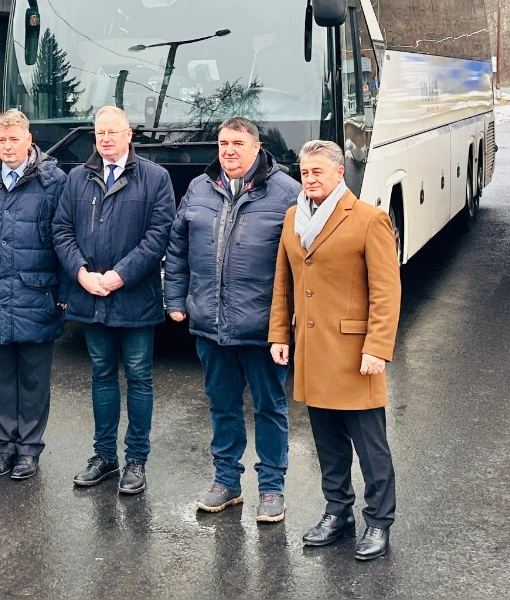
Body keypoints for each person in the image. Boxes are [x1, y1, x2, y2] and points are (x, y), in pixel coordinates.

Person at [268, 140, 401, 561]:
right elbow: (283, 283)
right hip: (312, 350)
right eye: (304, 172)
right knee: (328, 445)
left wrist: (377, 347)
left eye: (318, 172)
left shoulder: (369, 219)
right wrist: (279, 335)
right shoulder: (294, 217)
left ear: (340, 173)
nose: (309, 179)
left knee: (371, 448)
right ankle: (338, 512)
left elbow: (386, 292)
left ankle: (378, 521)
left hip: (355, 354)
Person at [164, 117, 299, 524]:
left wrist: (290, 323)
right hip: (211, 324)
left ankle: (272, 487)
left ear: (257, 147)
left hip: (263, 329)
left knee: (269, 408)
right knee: (222, 405)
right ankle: (227, 481)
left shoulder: (287, 193)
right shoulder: (199, 188)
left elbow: (300, 263)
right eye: (223, 143)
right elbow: (177, 247)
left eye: (238, 143)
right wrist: (175, 298)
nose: (229, 150)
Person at [52, 105, 175, 495]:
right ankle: (104, 456)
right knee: (102, 375)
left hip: (135, 297)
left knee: (139, 377)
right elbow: (61, 230)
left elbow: (159, 236)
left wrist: (120, 275)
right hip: (91, 296)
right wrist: (81, 273)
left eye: (113, 132)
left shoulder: (155, 178)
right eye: (99, 133)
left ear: (128, 135)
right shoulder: (77, 178)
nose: (105, 139)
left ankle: (136, 460)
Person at [0, 110, 68, 480]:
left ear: (29, 140)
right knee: (0, 377)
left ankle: (29, 448)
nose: (7, 147)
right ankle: (6, 447)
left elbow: (65, 237)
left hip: (37, 292)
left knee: (33, 379)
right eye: (2, 140)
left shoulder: (54, 181)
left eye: (15, 139)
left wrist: (65, 291)